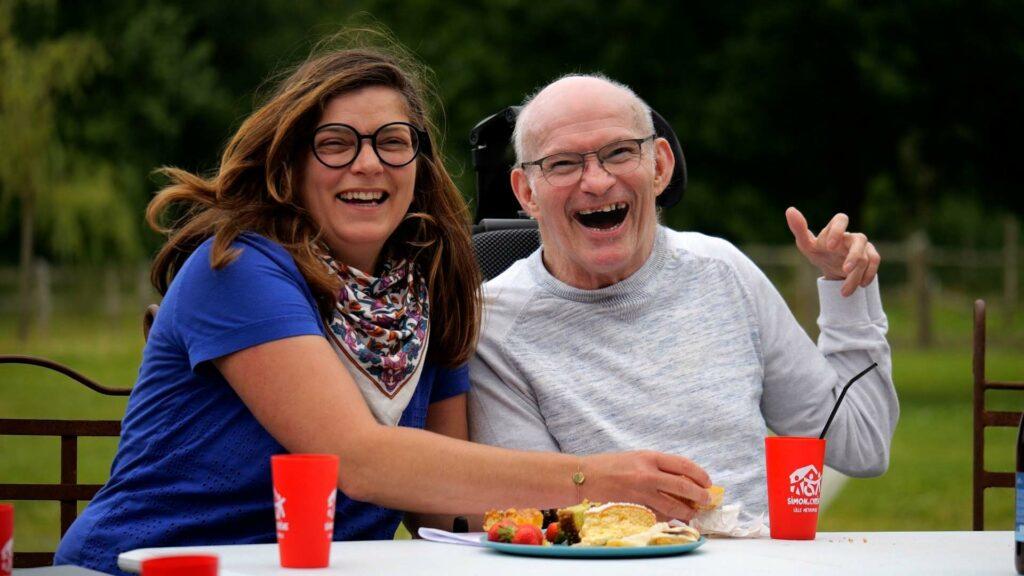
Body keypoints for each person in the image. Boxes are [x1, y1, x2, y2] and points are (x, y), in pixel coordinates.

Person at [54, 46, 712, 575]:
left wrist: (609, 526)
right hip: (145, 564)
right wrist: (593, 479)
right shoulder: (240, 269)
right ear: (290, 164)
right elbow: (358, 459)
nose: (367, 164)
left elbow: (445, 510)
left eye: (392, 142)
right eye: (336, 143)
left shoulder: (432, 291)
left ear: (418, 163)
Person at [467, 74, 899, 522]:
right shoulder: (493, 325)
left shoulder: (723, 271)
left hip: (760, 556)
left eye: (619, 152)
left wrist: (847, 289)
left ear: (659, 166)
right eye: (562, 164)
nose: (596, 181)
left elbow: (861, 445)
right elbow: (538, 523)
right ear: (526, 193)